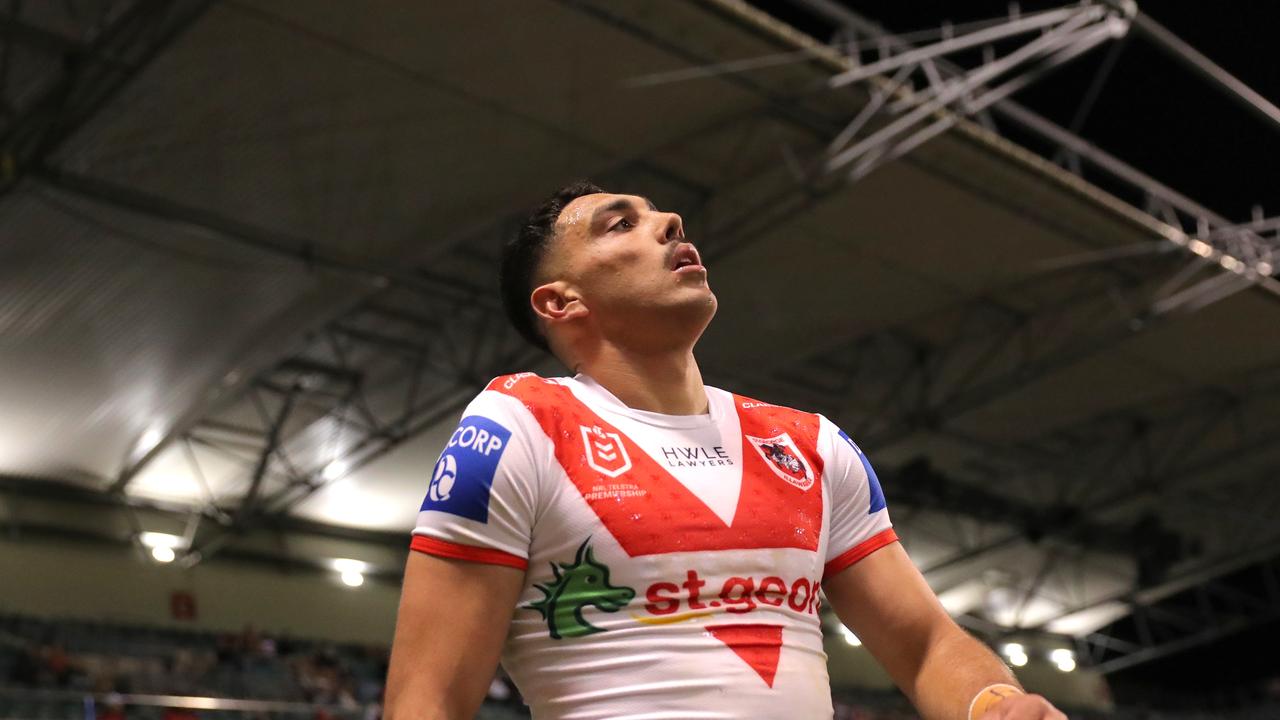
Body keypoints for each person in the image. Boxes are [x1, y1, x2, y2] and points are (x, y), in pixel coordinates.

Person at [385, 182, 1066, 720]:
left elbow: (923, 647)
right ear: (561, 302)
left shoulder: (811, 445)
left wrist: (994, 705)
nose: (671, 221)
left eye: (657, 213)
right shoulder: (519, 427)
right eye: (621, 224)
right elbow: (427, 702)